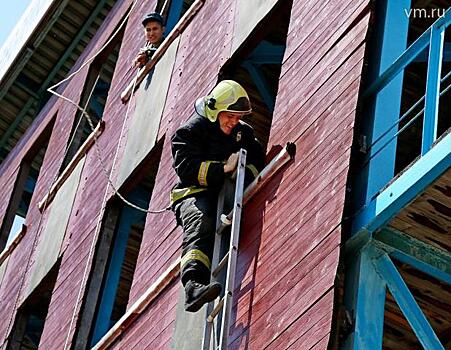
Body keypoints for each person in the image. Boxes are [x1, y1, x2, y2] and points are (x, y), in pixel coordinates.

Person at [170, 80, 265, 312]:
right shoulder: (189, 132)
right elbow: (187, 169)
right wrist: (224, 168)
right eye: (229, 116)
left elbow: (256, 162)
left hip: (226, 195)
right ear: (215, 110)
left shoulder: (244, 133)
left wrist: (243, 174)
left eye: (238, 116)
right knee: (200, 221)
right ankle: (193, 287)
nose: (234, 122)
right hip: (193, 193)